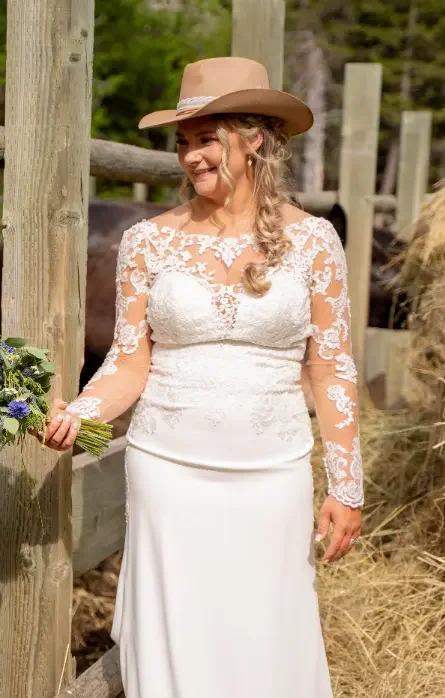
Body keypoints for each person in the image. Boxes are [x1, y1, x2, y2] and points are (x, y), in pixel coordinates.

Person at [40, 57, 362, 698]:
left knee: (266, 633)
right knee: (178, 633)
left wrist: (347, 485)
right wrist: (80, 412)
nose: (190, 156)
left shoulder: (316, 241)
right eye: (182, 142)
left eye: (206, 139)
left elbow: (330, 367)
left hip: (273, 470)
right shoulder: (147, 241)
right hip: (168, 470)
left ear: (255, 138)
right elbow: (129, 360)